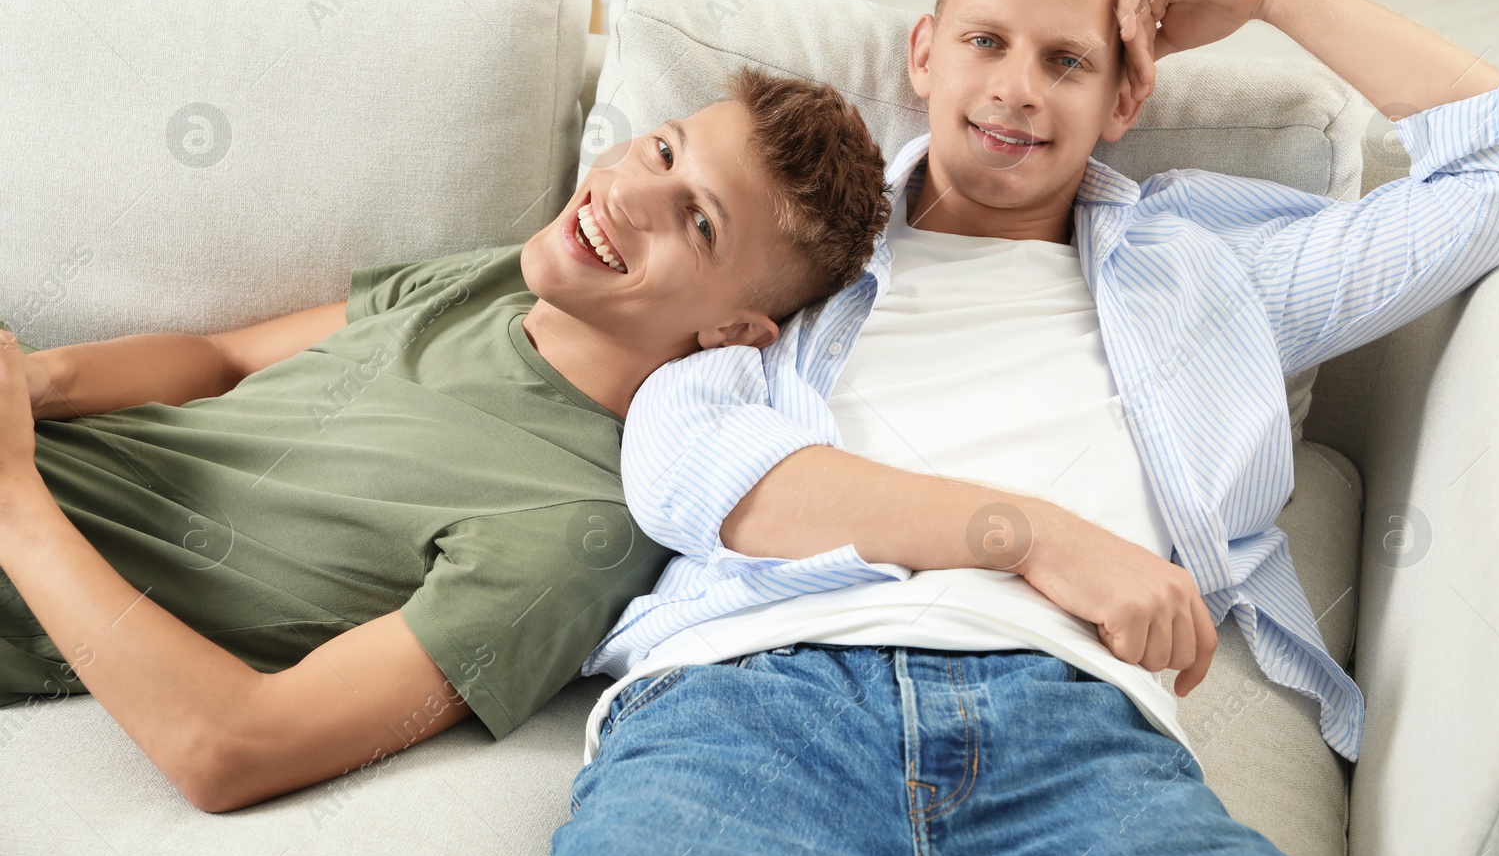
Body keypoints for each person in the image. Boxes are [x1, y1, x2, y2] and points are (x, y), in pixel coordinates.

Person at [544, 0, 1499, 856]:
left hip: (1067, 726)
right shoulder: (803, 237)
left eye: (1066, 60)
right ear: (925, 53)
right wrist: (1036, 536)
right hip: (756, 694)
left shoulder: (1208, 274)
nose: (1015, 89)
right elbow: (691, 465)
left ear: (1124, 95)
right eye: (985, 41)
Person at [0, 67, 892, 812]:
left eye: (698, 220)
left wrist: (14, 499)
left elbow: (230, 745)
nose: (626, 193)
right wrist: (38, 384)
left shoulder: (573, 530)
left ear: (736, 332)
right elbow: (221, 357)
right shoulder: (502, 278)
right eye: (660, 149)